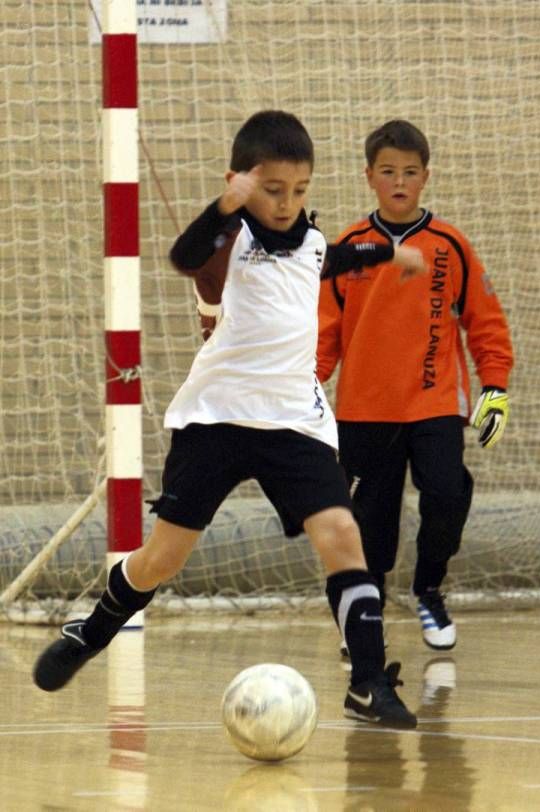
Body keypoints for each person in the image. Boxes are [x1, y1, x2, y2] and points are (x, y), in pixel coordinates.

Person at [33, 110, 427, 729]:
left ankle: (369, 683)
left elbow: (339, 258)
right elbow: (184, 254)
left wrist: (389, 253)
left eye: (298, 191)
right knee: (163, 558)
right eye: (272, 190)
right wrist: (224, 206)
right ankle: (93, 631)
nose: (286, 203)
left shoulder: (315, 242)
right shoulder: (228, 240)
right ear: (242, 182)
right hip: (217, 418)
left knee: (342, 538)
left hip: (295, 422)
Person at [317, 119, 513, 652]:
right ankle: (367, 610)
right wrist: (303, 397)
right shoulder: (349, 249)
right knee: (368, 521)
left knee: (449, 494)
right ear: (369, 177)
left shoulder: (451, 245)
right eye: (387, 172)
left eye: (409, 172)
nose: (399, 181)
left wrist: (494, 387)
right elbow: (323, 335)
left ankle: (429, 589)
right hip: (363, 410)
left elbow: (486, 323)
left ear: (425, 176)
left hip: (434, 405)